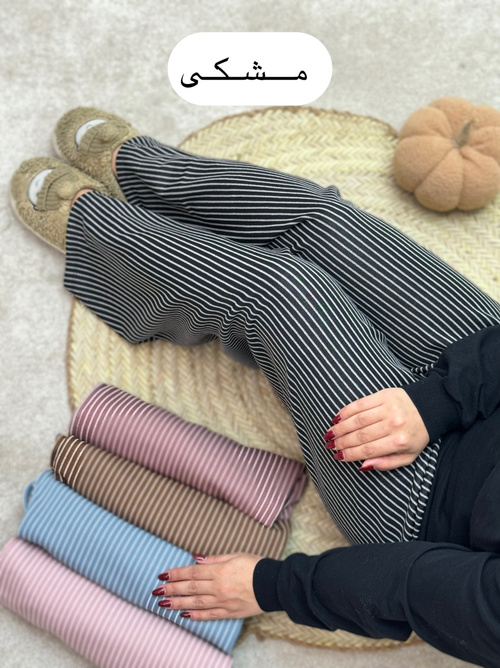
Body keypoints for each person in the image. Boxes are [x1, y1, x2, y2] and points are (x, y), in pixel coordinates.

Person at [10, 107, 500, 668]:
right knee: (324, 222)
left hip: (424, 502)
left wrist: (272, 587)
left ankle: (102, 239)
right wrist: (440, 399)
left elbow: (422, 587)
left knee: (287, 293)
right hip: (483, 375)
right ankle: (148, 171)